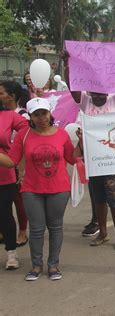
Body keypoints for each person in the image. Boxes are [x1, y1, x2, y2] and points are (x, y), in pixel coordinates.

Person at [63, 49, 115, 250]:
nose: (97, 97)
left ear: (107, 92)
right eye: (94, 94)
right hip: (92, 159)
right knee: (99, 198)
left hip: (113, 159)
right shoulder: (85, 101)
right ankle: (103, 232)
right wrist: (68, 64)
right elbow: (72, 86)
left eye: (101, 94)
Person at [0, 97, 78, 280]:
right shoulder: (23, 135)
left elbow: (72, 159)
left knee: (56, 227)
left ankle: (53, 266)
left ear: (50, 113)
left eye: (44, 113)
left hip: (59, 189)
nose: (41, 117)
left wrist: (81, 144)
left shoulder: (62, 134)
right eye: (36, 114)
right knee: (36, 229)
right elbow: (11, 161)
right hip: (31, 189)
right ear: (30, 117)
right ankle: (36, 266)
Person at [0, 89, 29, 270]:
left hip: (4, 173)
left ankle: (11, 253)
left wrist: (14, 151)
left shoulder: (9, 115)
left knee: (4, 213)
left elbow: (29, 129)